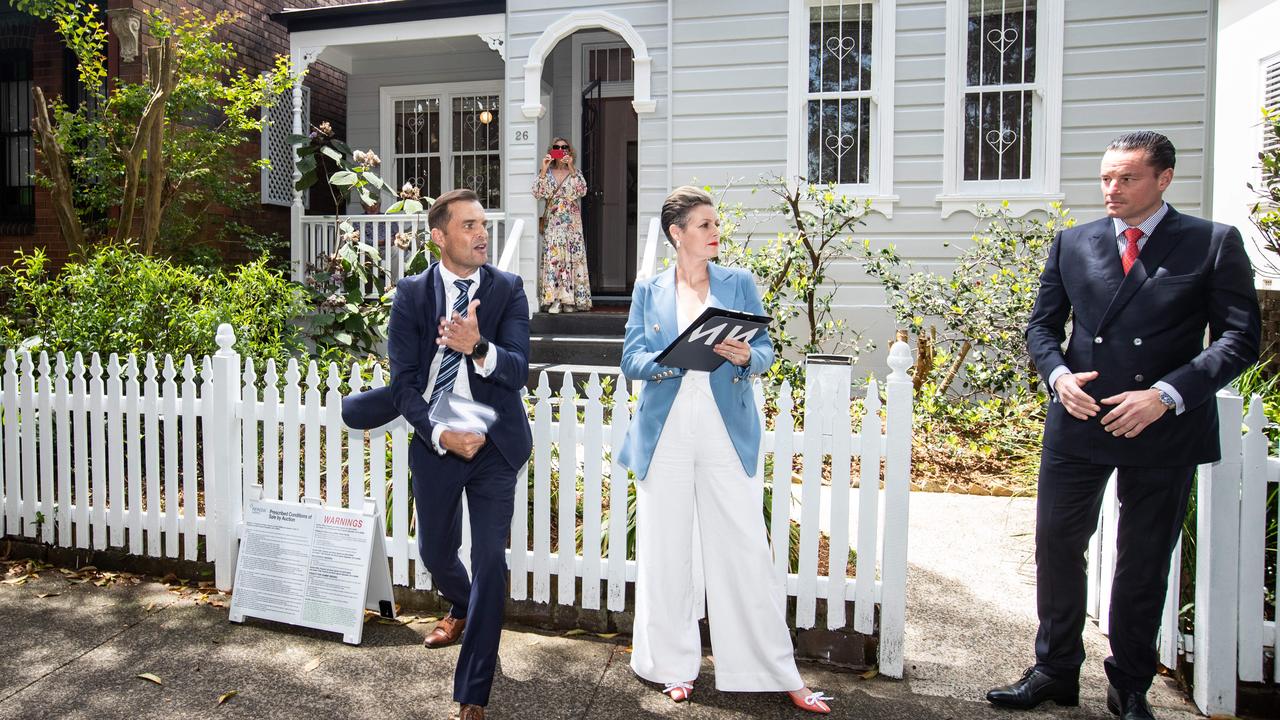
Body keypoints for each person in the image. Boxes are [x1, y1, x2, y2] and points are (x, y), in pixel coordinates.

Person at [987, 131, 1260, 720]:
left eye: (1127, 178)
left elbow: (1240, 338)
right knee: (1057, 547)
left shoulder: (1211, 243)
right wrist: (1058, 377)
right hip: (1080, 418)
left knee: (1144, 557)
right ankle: (1054, 670)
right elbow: (1042, 328)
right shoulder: (1073, 242)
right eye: (1107, 177)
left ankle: (1129, 684)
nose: (1112, 188)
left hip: (1162, 424)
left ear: (1163, 179)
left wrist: (1166, 395)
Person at [617, 185, 833, 715]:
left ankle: (772, 669)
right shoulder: (650, 288)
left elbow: (765, 351)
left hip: (723, 426)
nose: (716, 232)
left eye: (717, 224)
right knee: (666, 548)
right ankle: (671, 664)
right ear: (678, 233)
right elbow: (630, 359)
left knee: (744, 547)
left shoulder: (739, 283)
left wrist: (742, 356)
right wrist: (671, 359)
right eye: (705, 224)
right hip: (664, 430)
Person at [387, 188, 533, 720]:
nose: (480, 233)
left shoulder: (508, 290)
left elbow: (518, 368)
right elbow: (403, 384)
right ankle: (465, 606)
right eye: (468, 225)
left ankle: (473, 690)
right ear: (439, 236)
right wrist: (438, 435)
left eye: (483, 224)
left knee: (491, 559)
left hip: (495, 441)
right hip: (437, 436)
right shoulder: (411, 294)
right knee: (435, 554)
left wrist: (478, 346)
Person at [532, 137, 592, 313]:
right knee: (555, 258)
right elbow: (537, 192)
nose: (561, 149)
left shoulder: (576, 172)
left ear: (569, 150)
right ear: (552, 150)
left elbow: (582, 190)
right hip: (553, 222)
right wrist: (544, 168)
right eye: (557, 147)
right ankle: (554, 299)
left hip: (571, 223)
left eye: (564, 147)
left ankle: (569, 300)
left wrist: (571, 166)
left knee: (570, 258)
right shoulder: (547, 172)